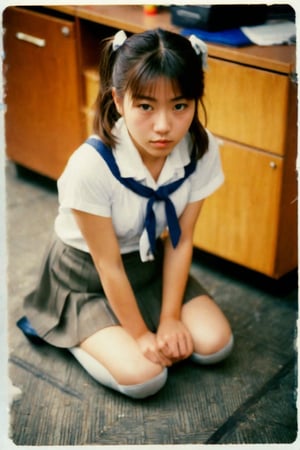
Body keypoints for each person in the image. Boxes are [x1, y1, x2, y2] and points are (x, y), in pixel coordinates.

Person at [18, 28, 233, 399]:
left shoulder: (201, 148)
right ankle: (70, 330)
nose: (164, 126)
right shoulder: (91, 165)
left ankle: (139, 323)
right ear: (119, 100)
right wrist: (140, 335)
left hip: (150, 266)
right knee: (146, 378)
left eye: (179, 106)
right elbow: (108, 265)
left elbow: (181, 243)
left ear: (195, 101)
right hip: (85, 277)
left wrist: (168, 319)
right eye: (146, 106)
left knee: (216, 345)